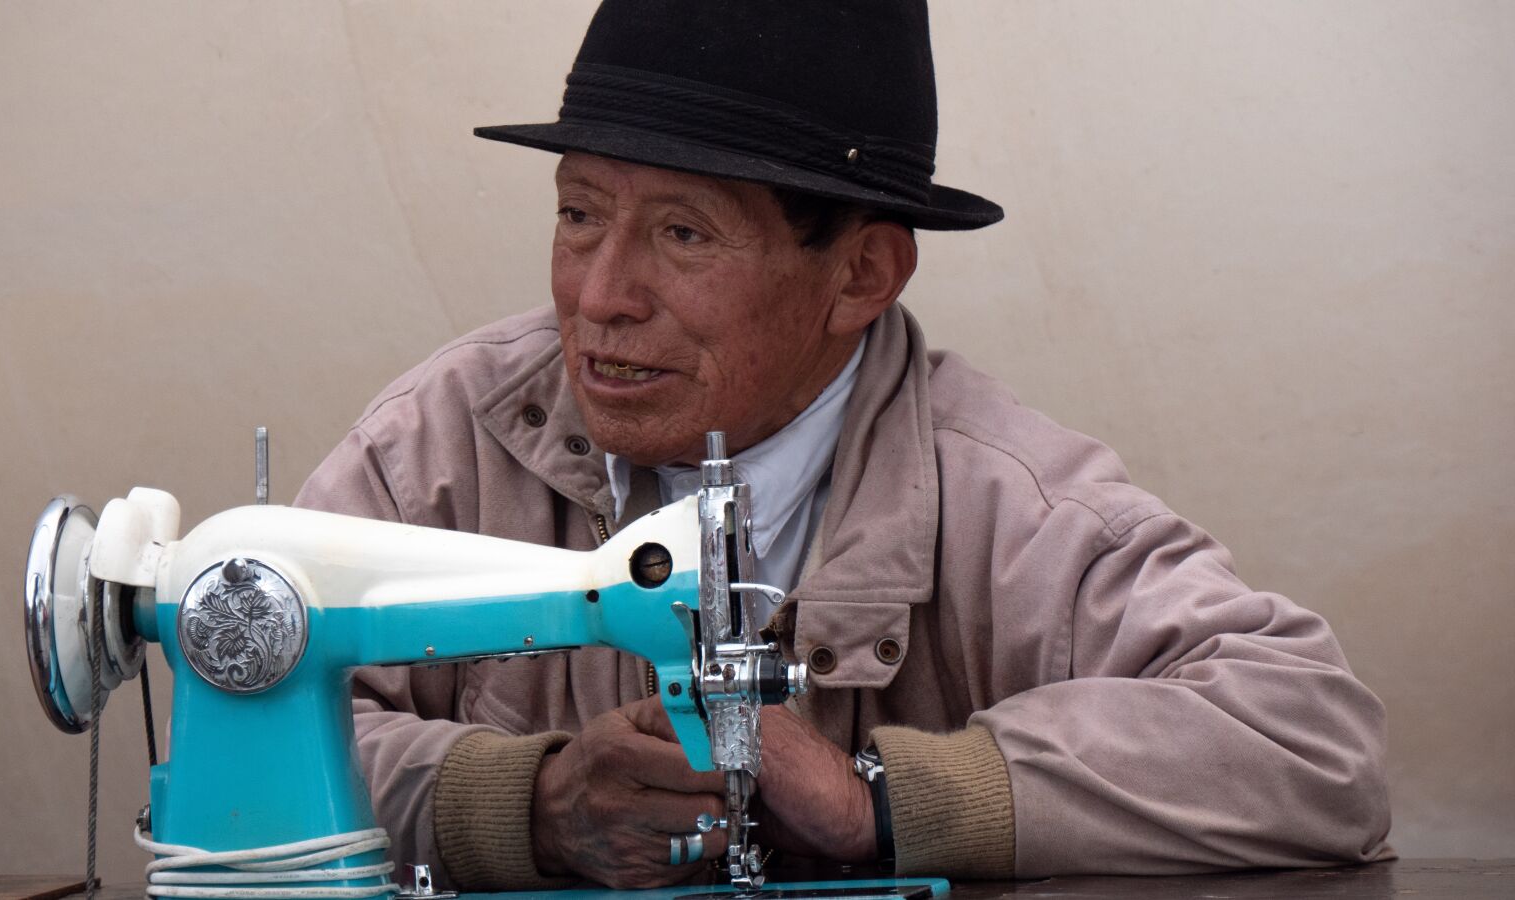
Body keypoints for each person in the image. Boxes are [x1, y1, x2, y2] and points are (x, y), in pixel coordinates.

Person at [294, 0, 1391, 890]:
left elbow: (1311, 745)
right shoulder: (441, 441)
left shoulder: (1005, 497)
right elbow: (253, 728)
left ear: (860, 275)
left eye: (683, 233)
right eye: (579, 213)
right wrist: (519, 806)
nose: (600, 294)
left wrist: (883, 797)